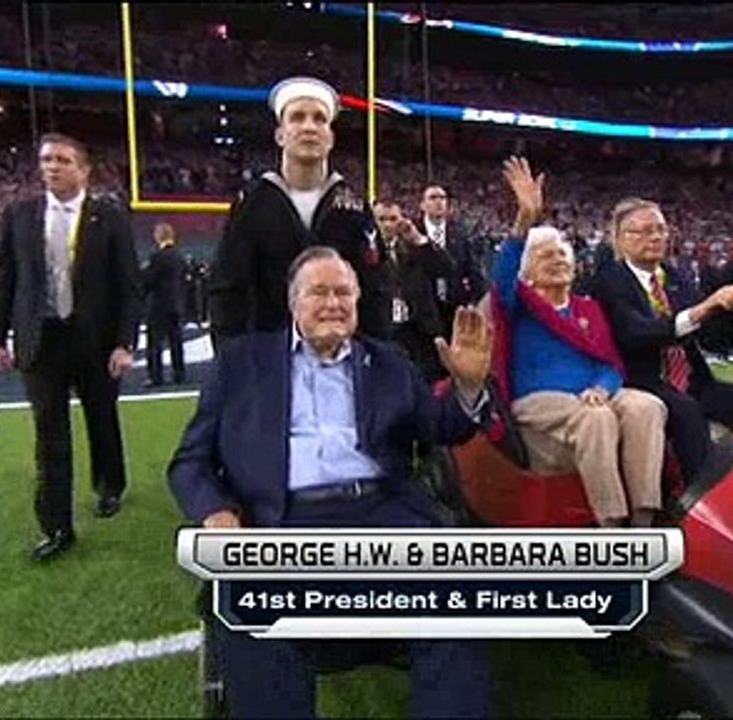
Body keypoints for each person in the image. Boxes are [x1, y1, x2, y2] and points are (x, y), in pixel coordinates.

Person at [168, 246, 493, 719]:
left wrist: (466, 388)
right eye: (319, 292)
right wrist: (215, 512)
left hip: (385, 512)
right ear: (293, 302)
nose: (333, 303)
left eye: (344, 292)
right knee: (254, 612)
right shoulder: (241, 363)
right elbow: (189, 461)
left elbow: (440, 429)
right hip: (282, 519)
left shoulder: (389, 362)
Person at [0, 132, 142, 562]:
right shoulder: (21, 214)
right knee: (48, 435)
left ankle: (109, 484)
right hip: (42, 339)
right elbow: (6, 281)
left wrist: (125, 342)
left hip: (92, 338)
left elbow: (128, 286)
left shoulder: (108, 216)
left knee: (101, 416)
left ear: (83, 168)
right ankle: (56, 526)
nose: (53, 167)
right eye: (47, 160)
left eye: (63, 160)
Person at [492, 158, 668, 528]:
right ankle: (611, 526)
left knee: (646, 406)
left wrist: (603, 389)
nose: (557, 260)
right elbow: (502, 276)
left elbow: (609, 364)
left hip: (591, 394)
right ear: (528, 271)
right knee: (597, 420)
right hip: (539, 401)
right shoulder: (519, 304)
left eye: (562, 254)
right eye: (545, 256)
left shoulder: (588, 308)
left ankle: (644, 519)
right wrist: (524, 219)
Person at [592, 198, 733, 480]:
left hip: (692, 382)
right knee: (687, 413)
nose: (655, 237)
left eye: (660, 230)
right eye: (643, 231)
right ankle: (699, 499)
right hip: (643, 383)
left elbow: (710, 335)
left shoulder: (675, 276)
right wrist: (703, 309)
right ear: (620, 239)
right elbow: (637, 334)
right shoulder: (609, 281)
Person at [206, 76, 391, 353]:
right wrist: (232, 361)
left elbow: (375, 292)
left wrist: (376, 359)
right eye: (297, 117)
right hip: (270, 362)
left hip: (341, 360)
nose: (309, 127)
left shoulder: (353, 207)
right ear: (280, 134)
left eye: (319, 119)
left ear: (330, 137)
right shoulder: (252, 204)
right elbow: (228, 292)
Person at [374, 199, 456, 382]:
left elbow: (446, 269)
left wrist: (418, 239)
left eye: (393, 219)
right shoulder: (365, 252)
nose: (387, 225)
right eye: (381, 219)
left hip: (419, 335)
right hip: (384, 333)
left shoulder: (415, 249)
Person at [416, 184, 487, 323]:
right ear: (422, 205)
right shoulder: (413, 232)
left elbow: (473, 272)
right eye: (433, 198)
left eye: (442, 198)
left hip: (455, 310)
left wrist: (475, 302)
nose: (439, 202)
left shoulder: (460, 235)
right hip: (421, 313)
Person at [143, 222, 187, 386]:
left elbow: (148, 281)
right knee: (176, 341)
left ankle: (155, 376)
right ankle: (179, 373)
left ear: (158, 236)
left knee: (154, 344)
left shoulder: (157, 257)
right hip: (177, 304)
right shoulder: (180, 257)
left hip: (158, 306)